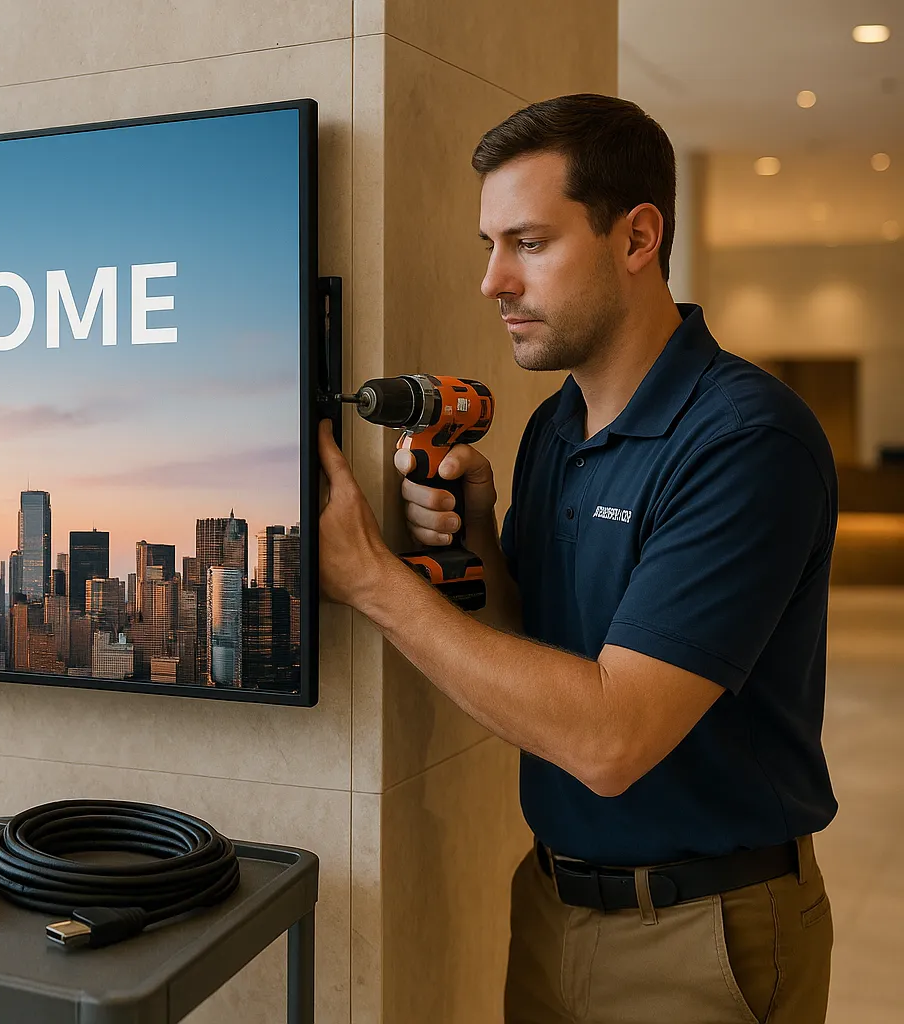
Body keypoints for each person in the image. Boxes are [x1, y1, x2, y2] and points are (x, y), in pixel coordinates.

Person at [317, 93, 837, 1023]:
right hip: (551, 902)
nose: (492, 282)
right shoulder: (556, 426)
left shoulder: (747, 441)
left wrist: (374, 584)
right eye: (490, 244)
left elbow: (609, 741)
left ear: (638, 238)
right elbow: (543, 646)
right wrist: (480, 544)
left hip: (705, 932)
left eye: (528, 242)